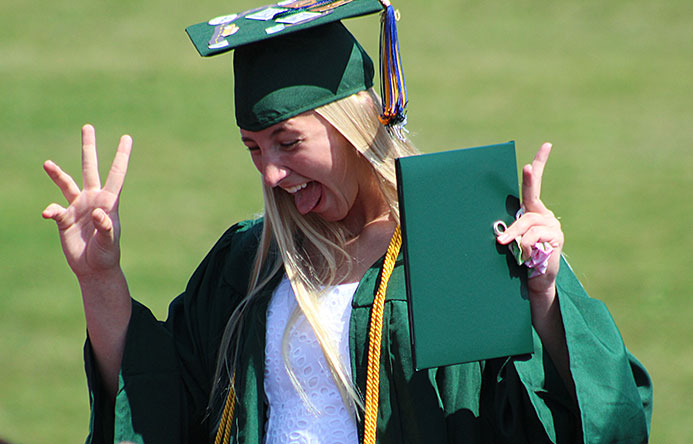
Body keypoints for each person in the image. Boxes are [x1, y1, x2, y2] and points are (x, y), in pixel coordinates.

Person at [42, 1, 652, 443]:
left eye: (288, 141)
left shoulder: (463, 240)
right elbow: (161, 405)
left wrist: (542, 294)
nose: (272, 174)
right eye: (254, 148)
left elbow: (596, 418)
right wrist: (100, 279)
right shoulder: (247, 262)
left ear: (353, 124)